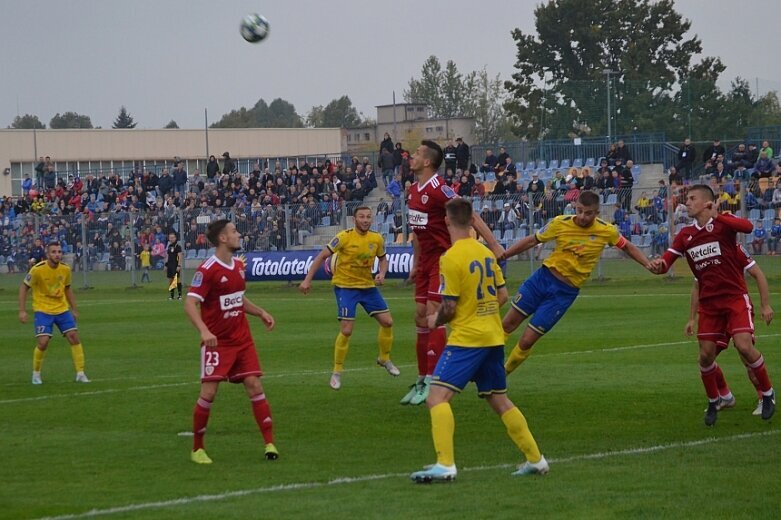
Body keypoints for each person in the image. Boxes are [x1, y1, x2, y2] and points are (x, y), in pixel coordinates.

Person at [409, 198, 547, 483]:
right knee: (499, 399)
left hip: (467, 339)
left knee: (436, 397)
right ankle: (536, 459)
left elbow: (447, 307)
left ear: (447, 221)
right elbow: (503, 296)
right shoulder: (485, 253)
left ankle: (445, 464)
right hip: (493, 336)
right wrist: (480, 311)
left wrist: (436, 320)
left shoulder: (450, 257)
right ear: (472, 220)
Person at [649, 185, 775, 425]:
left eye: (692, 198)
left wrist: (718, 215)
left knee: (744, 347)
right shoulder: (685, 234)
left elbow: (747, 227)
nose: (687, 203)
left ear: (707, 202)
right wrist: (657, 266)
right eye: (686, 199)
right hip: (709, 305)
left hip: (734, 298)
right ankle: (714, 400)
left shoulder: (723, 224)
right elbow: (666, 263)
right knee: (705, 356)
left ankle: (767, 394)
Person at [500, 191, 652, 375]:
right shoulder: (560, 222)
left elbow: (627, 246)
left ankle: (501, 375)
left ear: (596, 213)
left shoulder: (606, 231)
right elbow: (532, 240)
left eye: (588, 213)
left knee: (526, 341)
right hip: (541, 279)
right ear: (575, 206)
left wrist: (647, 264)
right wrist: (505, 254)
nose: (582, 216)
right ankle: (482, 364)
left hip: (564, 293)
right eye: (579, 210)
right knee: (506, 325)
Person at [402, 140, 503, 406]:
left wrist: (493, 245)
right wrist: (416, 263)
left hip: (443, 260)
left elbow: (468, 214)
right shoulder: (413, 190)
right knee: (420, 317)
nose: (411, 157)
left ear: (427, 162)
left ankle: (436, 381)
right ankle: (423, 378)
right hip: (425, 263)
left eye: (416, 153)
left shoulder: (439, 189)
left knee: (435, 313)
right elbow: (417, 233)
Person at [184, 219, 278, 464]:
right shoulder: (207, 269)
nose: (239, 235)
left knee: (255, 385)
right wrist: (204, 331)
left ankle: (270, 443)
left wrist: (260, 312)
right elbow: (190, 303)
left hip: (242, 340)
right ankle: (197, 449)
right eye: (234, 231)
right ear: (223, 239)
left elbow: (238, 299)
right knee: (209, 392)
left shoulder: (238, 265)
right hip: (218, 343)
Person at [299, 206, 399, 390]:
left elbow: (383, 259)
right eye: (362, 216)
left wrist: (382, 273)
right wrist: (307, 280)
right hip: (345, 287)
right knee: (346, 330)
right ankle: (337, 372)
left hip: (367, 287)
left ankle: (384, 358)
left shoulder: (376, 238)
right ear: (355, 219)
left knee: (388, 322)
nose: (366, 220)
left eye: (369, 217)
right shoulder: (344, 237)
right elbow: (322, 256)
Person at [685, 243, 773, 417]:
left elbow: (757, 273)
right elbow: (696, 287)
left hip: (735, 308)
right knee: (705, 357)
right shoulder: (703, 250)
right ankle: (725, 396)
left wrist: (765, 305)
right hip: (714, 312)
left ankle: (764, 397)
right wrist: (692, 318)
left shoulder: (735, 248)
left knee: (745, 353)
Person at [18, 241, 90, 384]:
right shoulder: (37, 270)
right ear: (47, 254)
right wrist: (22, 311)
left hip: (62, 309)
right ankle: (36, 373)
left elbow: (67, 289)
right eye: (54, 252)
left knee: (74, 337)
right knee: (43, 342)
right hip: (43, 310)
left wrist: (74, 308)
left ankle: (80, 373)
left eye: (59, 252)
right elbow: (24, 287)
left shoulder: (65, 269)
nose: (57, 255)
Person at [165, 232, 183, 300]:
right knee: (170, 280)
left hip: (175, 265)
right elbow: (168, 256)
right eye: (170, 238)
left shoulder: (178, 246)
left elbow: (180, 256)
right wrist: (166, 265)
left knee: (176, 279)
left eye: (173, 237)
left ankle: (180, 295)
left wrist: (179, 265)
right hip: (170, 265)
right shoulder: (169, 246)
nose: (171, 239)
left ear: (175, 238)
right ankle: (172, 296)